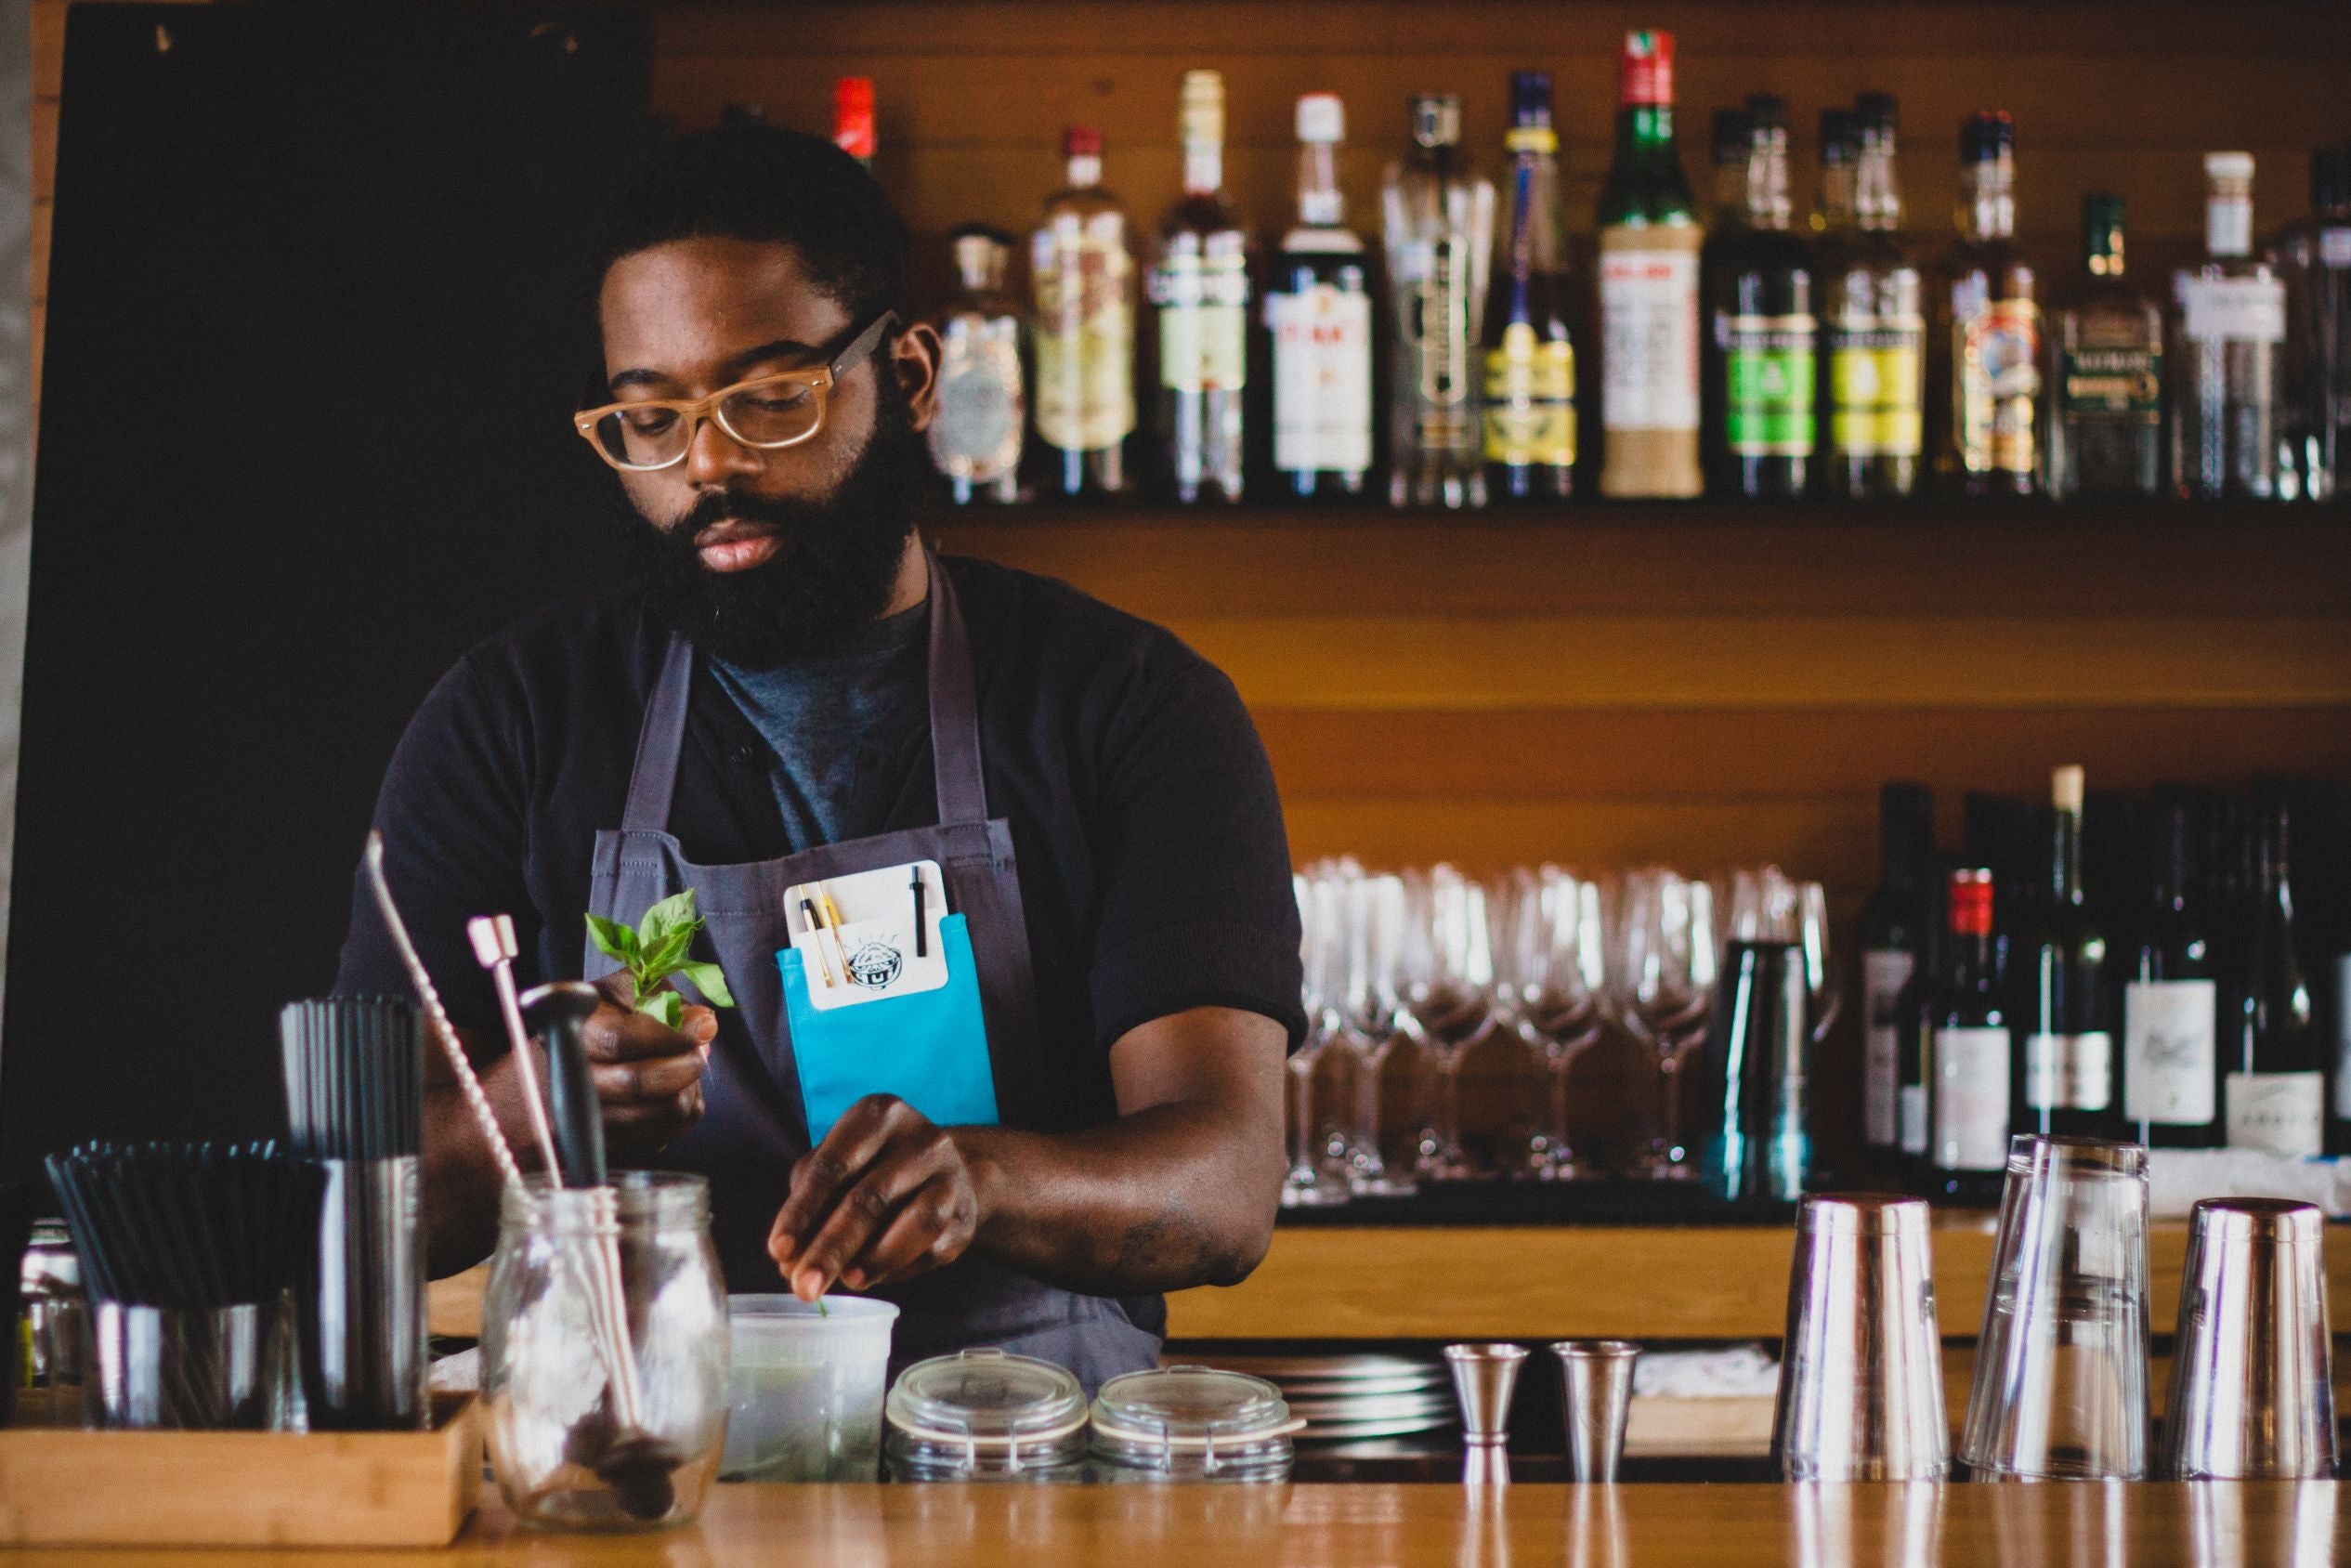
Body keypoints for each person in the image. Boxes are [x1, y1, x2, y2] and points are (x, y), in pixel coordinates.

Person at [334, 124, 1302, 1390]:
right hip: (628, 1463)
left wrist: (985, 1177)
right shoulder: (514, 716)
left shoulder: (1124, 705)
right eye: (650, 418)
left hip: (1014, 1460)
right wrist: (523, 1114)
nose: (711, 463)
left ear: (907, 376)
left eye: (771, 398)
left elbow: (1227, 1189)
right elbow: (357, 1212)